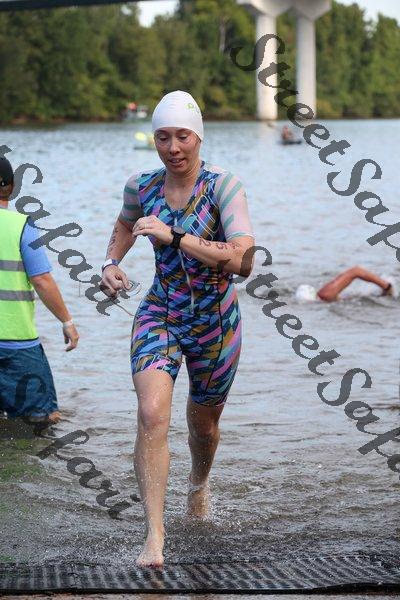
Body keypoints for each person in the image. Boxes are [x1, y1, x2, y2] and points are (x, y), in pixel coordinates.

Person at [101, 90, 255, 567]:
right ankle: (154, 536)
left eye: (182, 136)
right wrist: (110, 263)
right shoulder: (141, 186)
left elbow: (244, 260)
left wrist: (176, 236)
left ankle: (198, 486)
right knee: (151, 413)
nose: (172, 147)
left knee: (203, 427)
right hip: (161, 312)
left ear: (198, 137)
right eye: (163, 137)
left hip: (215, 322)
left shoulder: (223, 187)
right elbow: (125, 224)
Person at [0, 156, 79, 427]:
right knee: (42, 420)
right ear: (11, 187)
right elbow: (42, 280)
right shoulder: (22, 226)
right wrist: (67, 321)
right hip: (16, 344)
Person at [296, 266, 397, 302]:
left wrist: (386, 286)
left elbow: (356, 271)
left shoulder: (326, 294)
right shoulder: (323, 298)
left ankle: (387, 286)